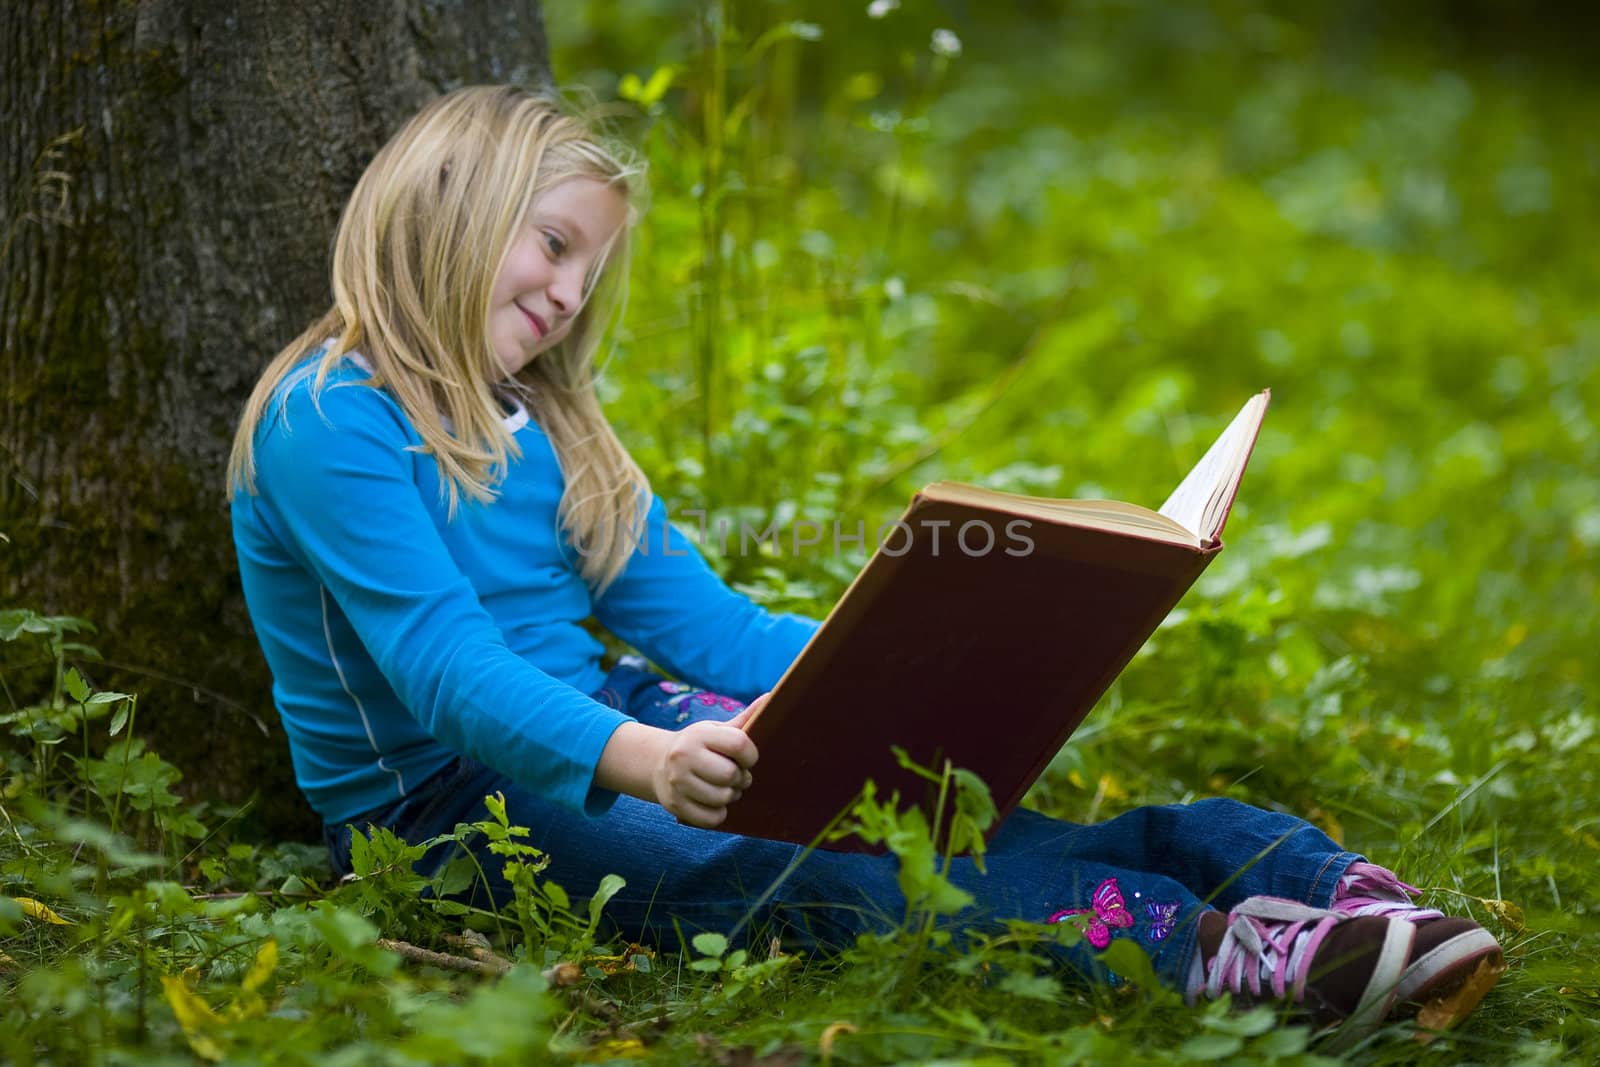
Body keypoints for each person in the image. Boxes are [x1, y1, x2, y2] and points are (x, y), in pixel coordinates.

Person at [227, 85, 1503, 1038]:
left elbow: (708, 625)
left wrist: (929, 676)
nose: (568, 292)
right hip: (445, 806)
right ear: (446, 207)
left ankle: (1293, 876)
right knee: (807, 871)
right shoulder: (330, 417)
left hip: (617, 722)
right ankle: (1216, 950)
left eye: (589, 265)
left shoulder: (551, 424)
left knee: (928, 811)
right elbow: (444, 669)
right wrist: (652, 762)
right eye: (552, 243)